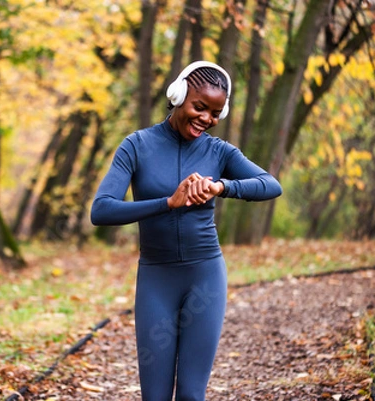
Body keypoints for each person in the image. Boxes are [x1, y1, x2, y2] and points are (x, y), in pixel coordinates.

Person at [90, 60, 282, 401]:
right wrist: (168, 202)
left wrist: (222, 187)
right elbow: (101, 210)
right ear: (177, 95)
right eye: (199, 106)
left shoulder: (219, 151)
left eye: (215, 112)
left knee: (192, 395)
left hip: (205, 276)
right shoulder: (137, 145)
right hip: (156, 279)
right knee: (155, 396)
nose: (206, 119)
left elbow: (270, 185)